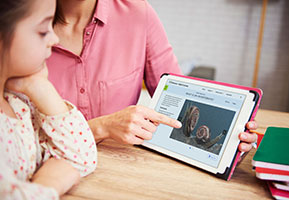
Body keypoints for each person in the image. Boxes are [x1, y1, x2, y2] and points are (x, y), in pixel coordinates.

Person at [47, 0, 257, 152]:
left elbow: (184, 104)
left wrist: (229, 139)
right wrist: (102, 127)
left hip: (123, 166)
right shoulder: (21, 25)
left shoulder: (138, 13)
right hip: (46, 164)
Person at [0, 0, 97, 199]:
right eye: (43, 31)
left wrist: (39, 86)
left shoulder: (17, 104)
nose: (54, 39)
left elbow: (81, 158)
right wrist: (49, 184)